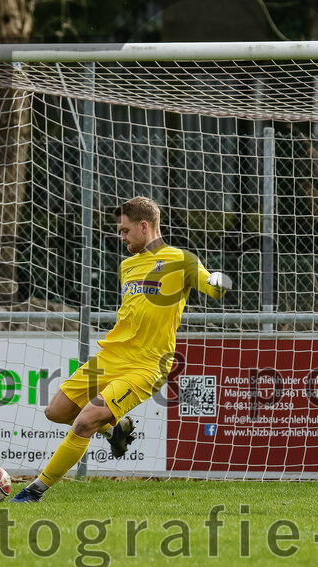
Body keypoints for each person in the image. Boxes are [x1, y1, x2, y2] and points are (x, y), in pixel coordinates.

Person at [12, 196, 232, 502]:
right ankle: (113, 431)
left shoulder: (181, 260)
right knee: (56, 411)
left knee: (85, 421)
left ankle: (33, 491)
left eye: (125, 230)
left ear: (144, 226)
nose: (122, 237)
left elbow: (211, 285)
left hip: (147, 364)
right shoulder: (127, 266)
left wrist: (219, 282)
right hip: (111, 356)